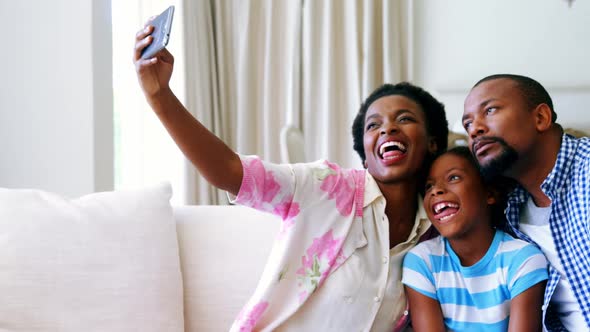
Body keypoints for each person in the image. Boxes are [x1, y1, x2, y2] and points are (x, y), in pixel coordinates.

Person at [134, 20, 448, 331]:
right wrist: (160, 95)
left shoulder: (434, 233)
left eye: (404, 119)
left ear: (433, 141)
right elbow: (228, 170)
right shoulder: (326, 187)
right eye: (373, 125)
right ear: (365, 152)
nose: (388, 128)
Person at [462, 74, 590, 331]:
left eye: (490, 110)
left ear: (540, 118)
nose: (475, 129)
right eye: (467, 125)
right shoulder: (507, 213)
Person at [402, 147, 548, 331]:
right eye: (429, 186)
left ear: (489, 194)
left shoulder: (524, 260)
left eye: (453, 177)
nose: (436, 191)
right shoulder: (422, 261)